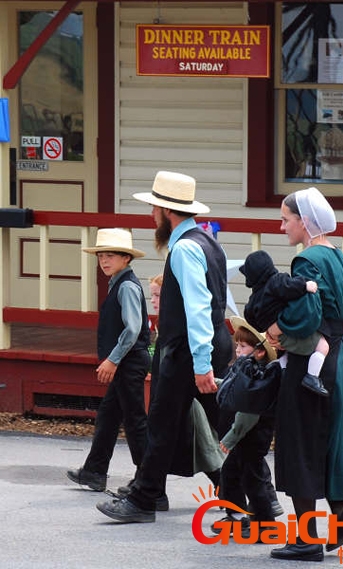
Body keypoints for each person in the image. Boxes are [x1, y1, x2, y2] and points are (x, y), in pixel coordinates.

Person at [96, 170, 233, 523]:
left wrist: (201, 362)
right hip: (207, 343)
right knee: (208, 423)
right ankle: (240, 495)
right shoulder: (208, 243)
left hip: (187, 349)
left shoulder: (186, 248)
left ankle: (146, 497)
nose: (151, 215)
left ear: (166, 211)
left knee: (163, 423)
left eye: (154, 208)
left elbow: (198, 306)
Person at [265, 187, 343, 562]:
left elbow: (306, 315)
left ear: (304, 221)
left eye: (286, 219)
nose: (282, 227)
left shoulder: (306, 261)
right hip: (338, 358)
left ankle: (307, 539)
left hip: (310, 360)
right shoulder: (338, 257)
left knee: (299, 445)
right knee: (325, 441)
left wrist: (276, 328)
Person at [117, 272, 223, 500]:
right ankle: (154, 489)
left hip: (181, 393)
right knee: (167, 443)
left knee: (201, 448)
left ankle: (227, 488)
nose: (153, 301)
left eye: (157, 296)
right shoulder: (165, 323)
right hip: (169, 390)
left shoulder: (178, 324)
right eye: (152, 296)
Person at [66, 228, 150, 492]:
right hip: (124, 361)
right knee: (109, 416)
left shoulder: (125, 286)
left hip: (129, 362)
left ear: (126, 258)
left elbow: (133, 329)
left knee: (135, 421)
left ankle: (149, 482)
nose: (104, 260)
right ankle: (94, 471)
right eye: (101, 255)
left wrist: (112, 360)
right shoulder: (118, 282)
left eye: (111, 255)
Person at [211, 316, 283, 540]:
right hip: (246, 437)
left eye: (243, 346)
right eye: (237, 345)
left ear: (260, 351)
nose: (238, 350)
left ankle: (265, 525)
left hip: (251, 437)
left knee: (253, 481)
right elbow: (235, 388)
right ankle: (236, 515)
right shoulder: (247, 369)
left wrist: (231, 437)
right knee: (232, 471)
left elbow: (248, 413)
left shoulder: (257, 376)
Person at [240, 249, 330, 397]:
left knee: (285, 352)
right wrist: (306, 285)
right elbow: (290, 286)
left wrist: (267, 329)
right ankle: (312, 376)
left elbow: (250, 317)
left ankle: (280, 369)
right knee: (322, 344)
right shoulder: (275, 281)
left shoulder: (254, 298)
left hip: (276, 338)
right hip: (288, 332)